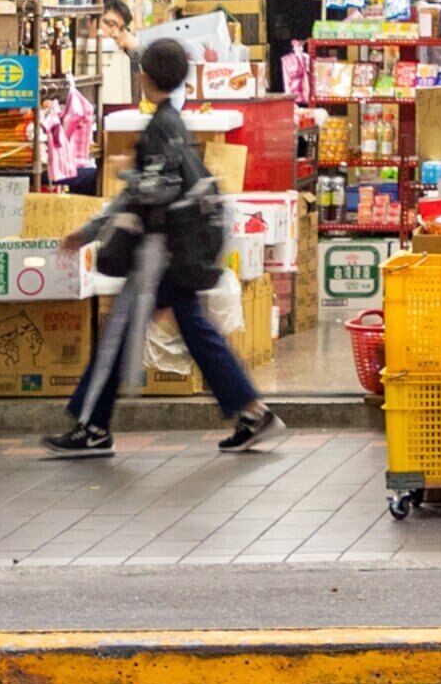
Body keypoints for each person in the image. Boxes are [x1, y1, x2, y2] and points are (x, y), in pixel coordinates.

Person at [45, 35, 282, 459]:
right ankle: (251, 411)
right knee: (194, 330)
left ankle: (92, 425)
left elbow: (158, 189)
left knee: (118, 335)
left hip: (159, 252)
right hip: (175, 249)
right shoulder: (173, 121)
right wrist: (93, 228)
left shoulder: (160, 127)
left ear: (144, 77)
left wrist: (123, 180)